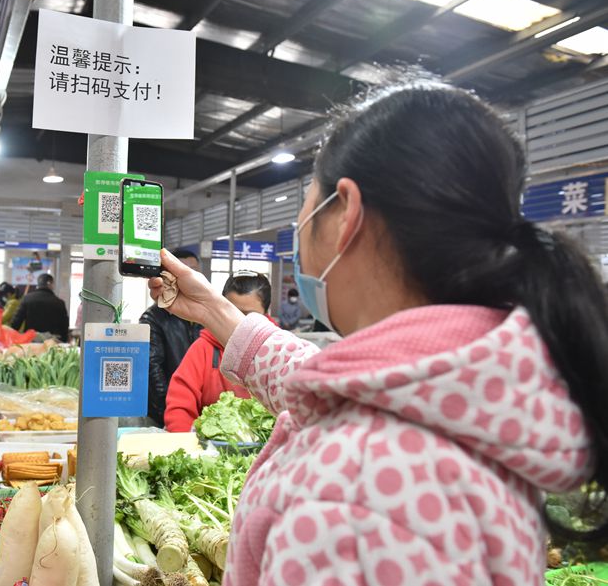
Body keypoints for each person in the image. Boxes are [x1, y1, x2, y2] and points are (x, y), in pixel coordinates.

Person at [149, 77, 606, 584]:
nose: (301, 227)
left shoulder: (353, 497)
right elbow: (322, 381)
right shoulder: (474, 385)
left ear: (345, 212)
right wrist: (214, 309)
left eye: (308, 201)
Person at [164, 271, 271, 432]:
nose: (238, 322)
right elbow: (179, 407)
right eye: (232, 311)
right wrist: (189, 446)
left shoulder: (276, 352)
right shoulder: (203, 349)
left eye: (248, 316)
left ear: (266, 314)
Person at [139, 248, 203, 427]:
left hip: (200, 411)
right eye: (183, 271)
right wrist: (172, 410)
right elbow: (153, 368)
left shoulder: (203, 315)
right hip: (167, 413)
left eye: (195, 271)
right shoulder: (153, 318)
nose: (191, 277)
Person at [10, 273, 69, 341]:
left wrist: (14, 339)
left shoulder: (27, 299)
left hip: (31, 341)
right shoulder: (59, 303)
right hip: (52, 342)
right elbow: (64, 325)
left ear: (38, 284)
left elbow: (16, 322)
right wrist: (64, 341)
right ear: (51, 284)